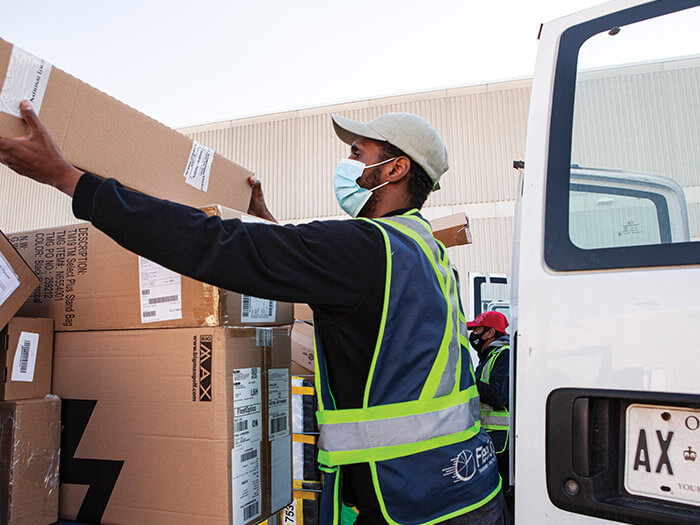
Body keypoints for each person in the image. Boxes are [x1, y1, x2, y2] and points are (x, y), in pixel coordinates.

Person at [0, 101, 509, 524]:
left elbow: (211, 244)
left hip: (412, 500)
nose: (348, 162)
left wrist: (70, 180)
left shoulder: (364, 249)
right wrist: (275, 234)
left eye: (358, 153)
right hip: (467, 486)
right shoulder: (424, 251)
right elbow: (361, 306)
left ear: (395, 169)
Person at [467, 311, 512, 514]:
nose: (473, 334)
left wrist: (467, 380)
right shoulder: (490, 355)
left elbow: (497, 396)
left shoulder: (503, 354)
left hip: (501, 440)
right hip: (490, 437)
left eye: (476, 329)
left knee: (501, 496)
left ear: (489, 333)